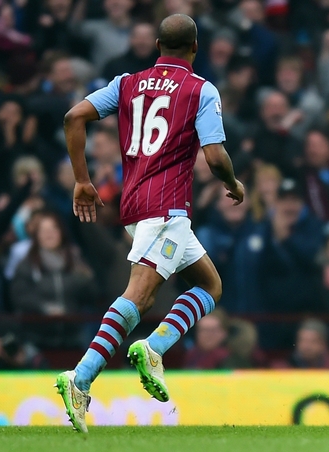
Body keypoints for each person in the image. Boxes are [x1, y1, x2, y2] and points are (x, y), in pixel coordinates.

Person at [54, 14, 244, 434]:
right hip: (166, 209)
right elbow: (214, 157)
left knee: (210, 285)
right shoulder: (201, 90)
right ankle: (79, 379)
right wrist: (234, 183)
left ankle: (154, 347)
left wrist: (83, 181)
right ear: (196, 48)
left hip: (135, 205)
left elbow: (73, 117)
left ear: (157, 45)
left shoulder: (126, 83)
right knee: (138, 298)